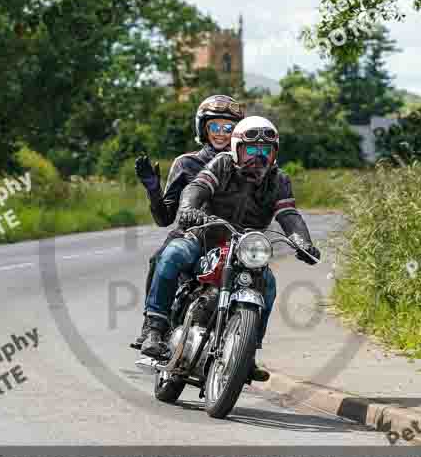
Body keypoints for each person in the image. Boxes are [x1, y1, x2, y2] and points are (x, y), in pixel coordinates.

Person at [140, 116, 321, 382]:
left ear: (274, 153)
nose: (257, 157)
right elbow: (197, 186)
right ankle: (155, 327)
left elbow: (289, 214)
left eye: (265, 151)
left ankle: (247, 354)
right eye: (251, 150)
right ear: (236, 148)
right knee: (172, 254)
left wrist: (302, 241)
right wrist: (189, 209)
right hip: (204, 236)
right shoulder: (223, 164)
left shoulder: (279, 179)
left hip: (245, 248)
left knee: (267, 284)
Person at [131, 94, 245, 348]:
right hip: (191, 234)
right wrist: (153, 189)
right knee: (162, 258)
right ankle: (153, 328)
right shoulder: (186, 163)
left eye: (229, 128)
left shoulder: (245, 166)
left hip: (231, 241)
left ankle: (244, 350)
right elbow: (164, 218)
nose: (221, 133)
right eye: (215, 126)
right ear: (203, 128)